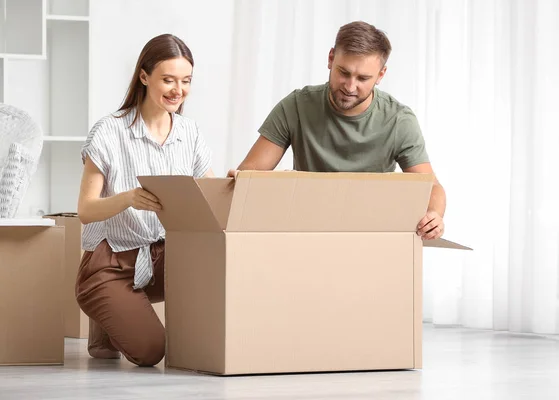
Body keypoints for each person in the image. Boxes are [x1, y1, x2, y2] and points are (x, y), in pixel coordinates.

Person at [229, 21, 445, 240]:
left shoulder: (398, 120)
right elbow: (249, 177)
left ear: (381, 75)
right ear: (331, 58)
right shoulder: (296, 106)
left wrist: (434, 215)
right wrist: (247, 182)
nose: (350, 87)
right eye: (344, 72)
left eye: (363, 78)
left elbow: (432, 188)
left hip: (369, 237)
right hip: (306, 232)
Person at [75, 34, 214, 367]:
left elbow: (208, 196)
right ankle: (107, 311)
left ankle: (115, 317)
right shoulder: (108, 131)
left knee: (219, 272)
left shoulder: (189, 132)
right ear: (144, 76)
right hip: (111, 263)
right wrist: (128, 199)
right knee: (151, 351)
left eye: (186, 81)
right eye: (168, 79)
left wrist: (232, 185)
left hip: (164, 257)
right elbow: (85, 211)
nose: (177, 90)